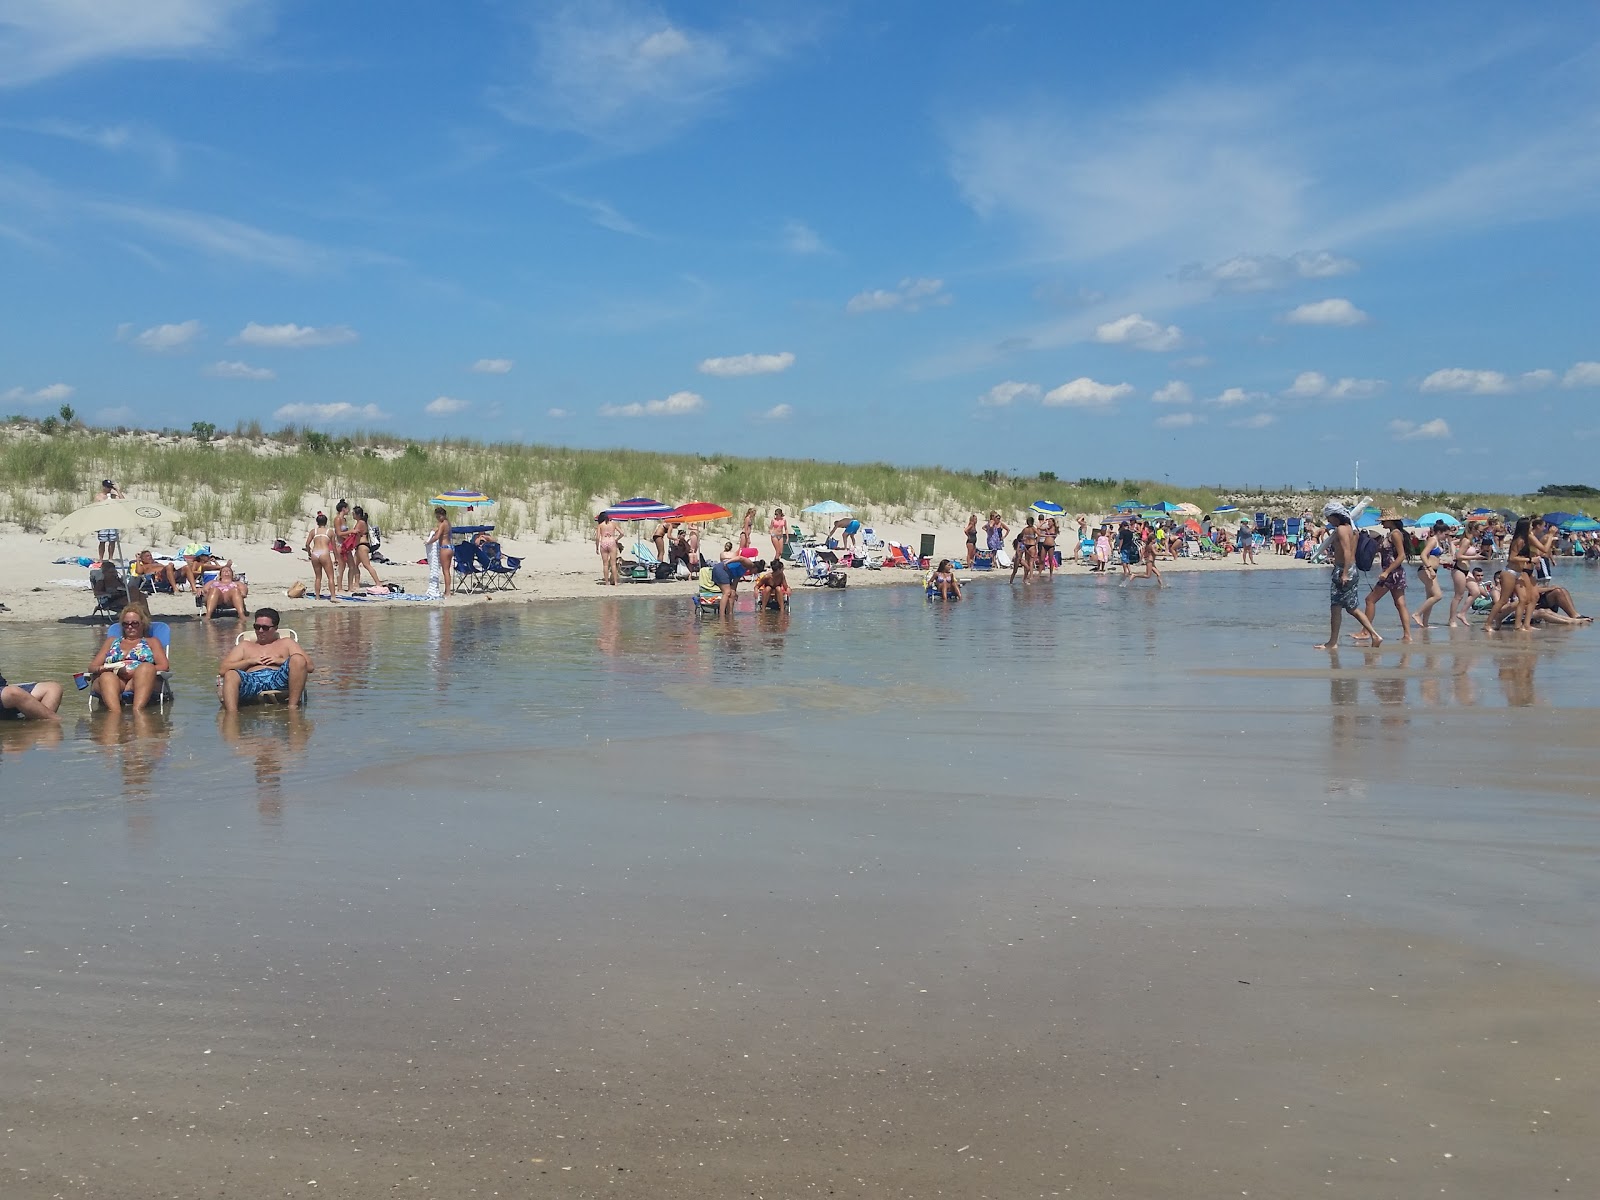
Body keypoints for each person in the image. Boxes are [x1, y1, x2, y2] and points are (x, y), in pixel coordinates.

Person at [218, 607, 314, 711]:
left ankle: (293, 709)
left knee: (298, 659)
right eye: (257, 627)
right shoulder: (245, 646)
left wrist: (281, 661)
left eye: (265, 628)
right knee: (230, 674)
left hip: (278, 679)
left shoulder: (286, 643)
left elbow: (309, 666)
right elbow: (223, 669)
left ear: (275, 628)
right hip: (252, 680)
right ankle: (231, 716)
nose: (260, 631)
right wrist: (249, 661)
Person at [1316, 508, 1383, 649]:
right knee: (1351, 608)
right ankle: (1374, 635)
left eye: (1329, 517)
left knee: (1336, 606)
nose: (1328, 521)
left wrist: (1344, 573)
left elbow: (1347, 552)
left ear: (1337, 516)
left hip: (1343, 569)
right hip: (1353, 569)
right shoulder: (1354, 530)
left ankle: (1333, 642)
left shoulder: (1341, 530)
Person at [85, 606, 170, 713]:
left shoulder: (151, 642)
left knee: (146, 668)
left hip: (139, 681)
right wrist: (106, 669)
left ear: (142, 624)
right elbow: (92, 667)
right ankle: (115, 715)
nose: (130, 627)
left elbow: (164, 665)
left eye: (134, 623)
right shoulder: (112, 641)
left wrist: (135, 671)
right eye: (126, 624)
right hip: (112, 681)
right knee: (107, 677)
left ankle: (138, 713)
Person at [1359, 511, 1413, 643]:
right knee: (1400, 604)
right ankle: (1407, 635)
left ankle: (1366, 631)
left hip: (1392, 573)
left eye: (1384, 520)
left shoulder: (1395, 534)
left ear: (1391, 521)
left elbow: (1401, 556)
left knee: (1370, 600)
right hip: (1397, 573)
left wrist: (1386, 572)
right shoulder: (1393, 534)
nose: (1381, 522)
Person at [1411, 521, 1450, 628]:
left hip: (1432, 570)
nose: (1446, 537)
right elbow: (1423, 555)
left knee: (1430, 597)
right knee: (1438, 595)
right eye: (1445, 534)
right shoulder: (1432, 540)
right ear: (1439, 532)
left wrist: (1441, 563)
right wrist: (1430, 569)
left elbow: (1433, 557)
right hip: (1426, 570)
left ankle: (1425, 624)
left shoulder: (1437, 541)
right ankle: (1417, 614)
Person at [307, 513, 342, 601]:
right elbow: (334, 547)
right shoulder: (329, 532)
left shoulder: (313, 531)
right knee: (330, 576)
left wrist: (309, 553)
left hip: (315, 553)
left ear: (317, 522)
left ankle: (317, 596)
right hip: (324, 553)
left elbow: (307, 544)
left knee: (318, 577)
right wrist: (336, 558)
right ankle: (333, 596)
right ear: (326, 522)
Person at [424, 507, 453, 598]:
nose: (437, 518)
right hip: (450, 547)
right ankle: (447, 591)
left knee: (445, 571)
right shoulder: (447, 523)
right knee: (447, 570)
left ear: (441, 515)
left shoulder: (442, 524)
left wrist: (428, 542)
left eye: (437, 516)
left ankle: (447, 592)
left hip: (444, 548)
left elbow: (437, 537)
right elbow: (442, 533)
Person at [95, 478, 124, 562]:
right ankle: (101, 558)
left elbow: (123, 501)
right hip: (103, 520)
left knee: (112, 541)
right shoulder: (99, 496)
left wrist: (117, 490)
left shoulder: (113, 496)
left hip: (113, 520)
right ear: (103, 487)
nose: (109, 489)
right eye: (107, 487)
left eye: (110, 487)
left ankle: (110, 558)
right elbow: (96, 507)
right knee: (102, 541)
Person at [595, 513, 622, 585]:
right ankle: (615, 582)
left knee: (605, 564)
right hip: (612, 542)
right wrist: (616, 539)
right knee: (613, 564)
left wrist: (597, 547)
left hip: (603, 542)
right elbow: (622, 533)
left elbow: (597, 538)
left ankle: (607, 582)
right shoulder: (613, 524)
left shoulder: (600, 525)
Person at [1011, 515, 1038, 582]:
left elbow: (1026, 550)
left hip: (1020, 559)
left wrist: (1030, 554)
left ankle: (1024, 580)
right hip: (1017, 559)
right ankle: (1011, 581)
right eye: (1024, 537)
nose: (1025, 538)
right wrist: (1017, 556)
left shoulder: (1023, 544)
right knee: (1015, 571)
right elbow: (1017, 551)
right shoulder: (1019, 544)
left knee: (1028, 568)